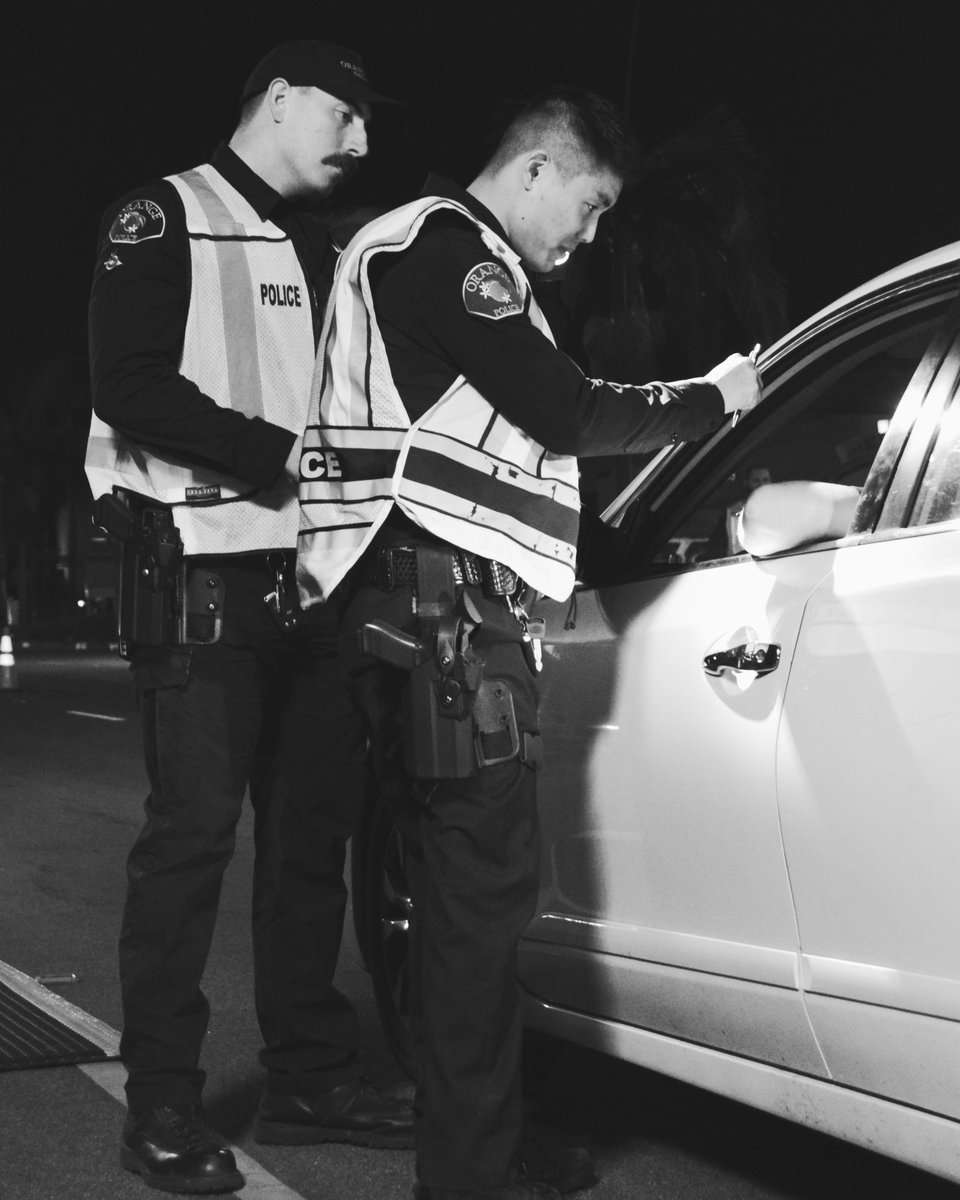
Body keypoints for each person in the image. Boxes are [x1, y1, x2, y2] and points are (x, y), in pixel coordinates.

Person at [295, 86, 761, 1200]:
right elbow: (569, 414)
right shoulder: (455, 256)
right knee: (476, 916)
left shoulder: (447, 268)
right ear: (538, 170)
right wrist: (713, 399)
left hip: (416, 622)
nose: (590, 235)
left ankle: (482, 1141)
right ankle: (467, 1174)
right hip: (446, 629)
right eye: (590, 206)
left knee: (462, 909)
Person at [85, 40, 413, 1194]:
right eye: (347, 112)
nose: (362, 140)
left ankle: (314, 1077)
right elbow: (123, 381)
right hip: (204, 583)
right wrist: (284, 458)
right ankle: (163, 1106)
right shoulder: (163, 217)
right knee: (189, 847)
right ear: (278, 102)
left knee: (309, 847)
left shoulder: (327, 245)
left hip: (312, 588)